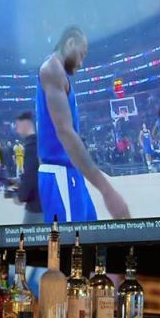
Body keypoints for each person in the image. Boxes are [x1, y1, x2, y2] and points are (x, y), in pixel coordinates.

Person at [36, 26, 130, 221]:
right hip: (60, 174)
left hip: (71, 173)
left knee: (90, 241)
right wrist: (107, 190)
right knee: (70, 248)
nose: (81, 62)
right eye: (82, 54)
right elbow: (65, 132)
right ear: (70, 43)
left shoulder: (58, 73)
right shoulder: (52, 69)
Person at [13, 111, 44, 224]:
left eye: (17, 125)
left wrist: (21, 196)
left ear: (25, 124)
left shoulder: (31, 146)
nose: (16, 130)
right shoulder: (40, 142)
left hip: (36, 204)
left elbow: (31, 177)